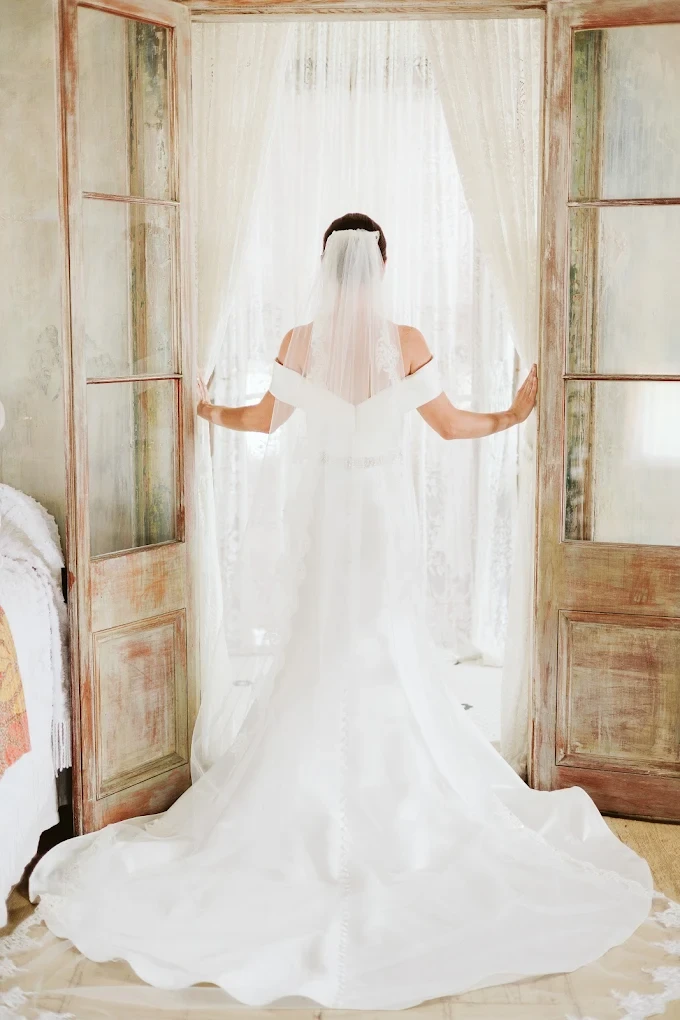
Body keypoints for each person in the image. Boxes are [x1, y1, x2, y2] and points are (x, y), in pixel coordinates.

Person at [30, 214, 652, 1010]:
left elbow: (263, 422)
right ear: (382, 264)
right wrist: (516, 412)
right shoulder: (407, 337)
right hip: (381, 512)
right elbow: (454, 426)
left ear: (324, 265)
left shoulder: (299, 340)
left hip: (327, 512)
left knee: (322, 642)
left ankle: (308, 788)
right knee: (383, 640)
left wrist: (206, 410)